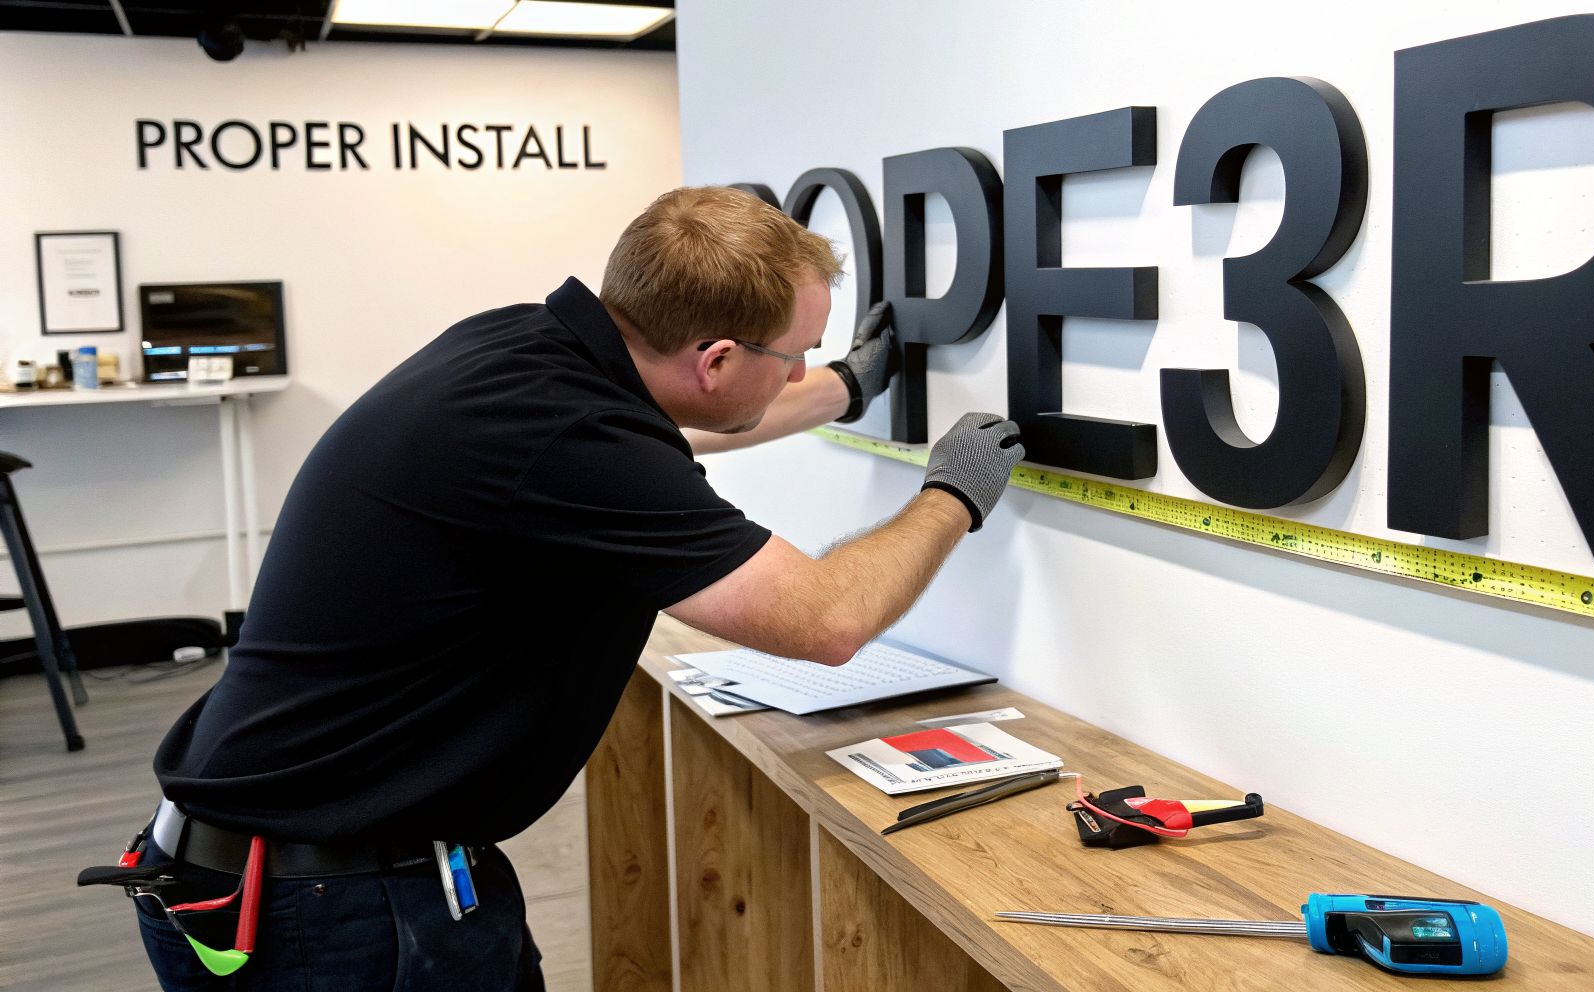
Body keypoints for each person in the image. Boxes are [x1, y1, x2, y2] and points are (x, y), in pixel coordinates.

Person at [124, 186, 1025, 990]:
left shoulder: (527, 351)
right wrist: (953, 494)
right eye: (793, 355)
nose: (798, 372)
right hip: (334, 910)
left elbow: (674, 433)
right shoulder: (572, 440)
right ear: (713, 358)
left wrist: (846, 388)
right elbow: (828, 619)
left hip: (317, 862)